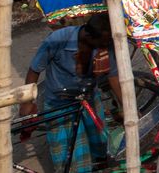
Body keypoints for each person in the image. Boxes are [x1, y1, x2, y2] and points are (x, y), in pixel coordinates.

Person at [22, 13, 114, 173]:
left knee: (101, 144)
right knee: (71, 159)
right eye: (100, 43)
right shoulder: (58, 39)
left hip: (89, 96)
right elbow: (34, 70)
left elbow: (114, 77)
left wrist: (124, 107)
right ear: (88, 36)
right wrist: (27, 102)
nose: (104, 46)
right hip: (59, 102)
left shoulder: (104, 45)